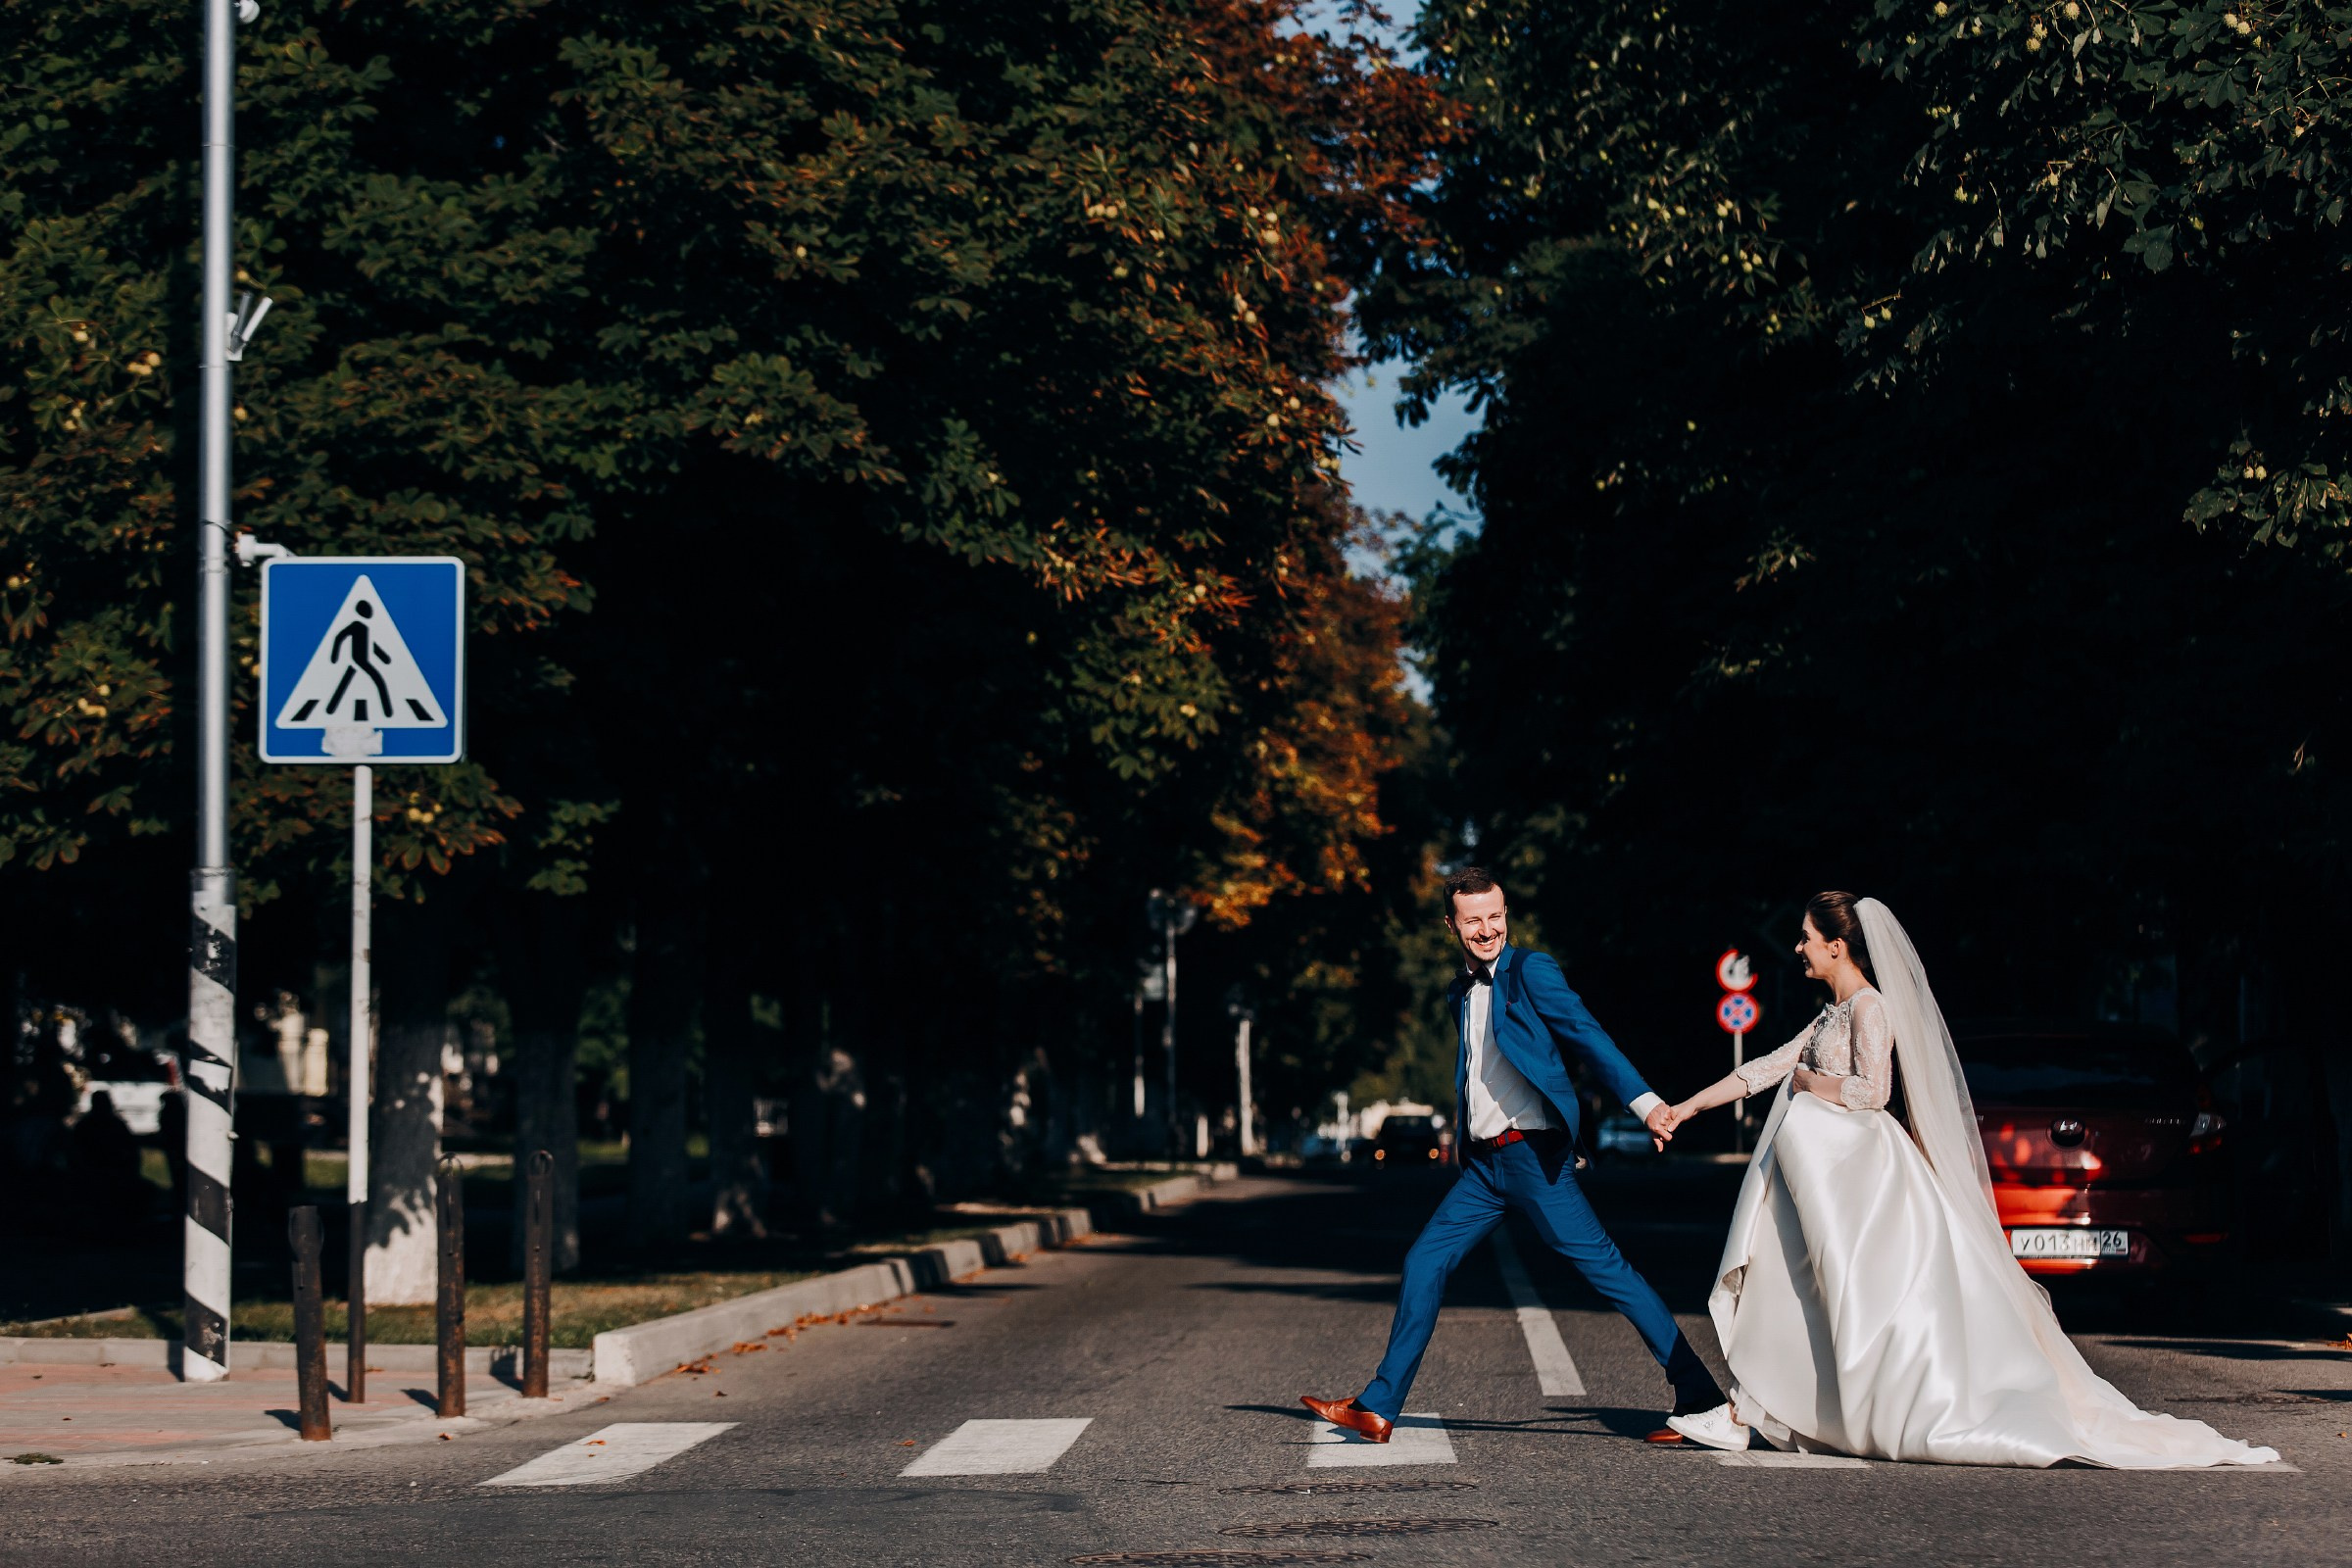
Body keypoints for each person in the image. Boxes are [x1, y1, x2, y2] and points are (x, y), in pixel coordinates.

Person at [1659, 892, 2278, 1467]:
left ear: (1836, 946)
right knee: (1803, 1290)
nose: (1798, 948)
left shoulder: (1871, 1009)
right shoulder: (1831, 1016)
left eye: (1805, 937)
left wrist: (1810, 1085)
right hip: (1830, 1178)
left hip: (1863, 1181)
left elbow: (1873, 1092)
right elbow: (1764, 1069)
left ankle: (1785, 1409)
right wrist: (1684, 1108)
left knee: (1858, 1302)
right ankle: (1754, 1407)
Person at [1299, 866, 1726, 1443]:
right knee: (1424, 1262)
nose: (1487, 930)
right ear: (1450, 924)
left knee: (1609, 1273)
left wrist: (1647, 1105)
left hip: (1533, 1159)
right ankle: (1378, 1406)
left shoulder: (1531, 971)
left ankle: (1701, 1397)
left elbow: (1587, 1035)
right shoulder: (1459, 991)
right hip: (1484, 1169)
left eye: (1495, 916)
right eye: (1473, 920)